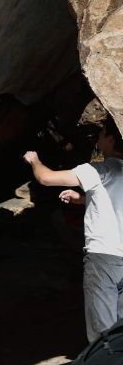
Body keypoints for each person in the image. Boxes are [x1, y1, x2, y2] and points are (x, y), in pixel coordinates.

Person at [23, 116, 123, 342]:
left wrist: (34, 160)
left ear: (109, 138)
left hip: (104, 259)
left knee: (103, 335)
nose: (98, 138)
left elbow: (46, 178)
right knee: (120, 331)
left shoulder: (100, 170)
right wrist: (82, 199)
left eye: (101, 133)